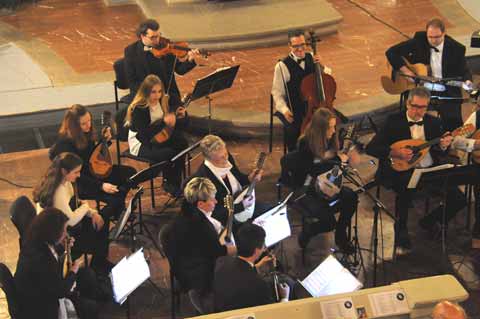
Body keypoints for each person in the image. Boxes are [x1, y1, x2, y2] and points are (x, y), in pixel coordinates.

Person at [366, 87, 466, 253]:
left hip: (429, 170)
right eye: (415, 106)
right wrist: (394, 152)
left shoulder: (433, 122)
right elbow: (372, 148)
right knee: (405, 189)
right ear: (407, 103)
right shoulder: (393, 121)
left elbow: (439, 151)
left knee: (459, 198)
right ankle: (401, 229)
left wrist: (443, 146)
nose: (418, 111)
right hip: (402, 171)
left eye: (423, 107)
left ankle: (429, 221)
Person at [280, 108, 358, 252]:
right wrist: (336, 159)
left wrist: (347, 159)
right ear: (320, 129)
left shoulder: (331, 139)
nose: (334, 131)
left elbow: (333, 165)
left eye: (334, 126)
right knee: (329, 222)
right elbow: (312, 170)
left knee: (351, 197)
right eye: (330, 127)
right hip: (307, 188)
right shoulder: (305, 143)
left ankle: (341, 237)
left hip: (327, 183)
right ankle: (309, 231)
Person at [49, 104, 136, 221]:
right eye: (83, 124)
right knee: (117, 194)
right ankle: (105, 217)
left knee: (130, 173)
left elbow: (92, 156)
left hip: (94, 171)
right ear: (74, 126)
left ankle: (117, 210)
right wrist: (101, 185)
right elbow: (75, 175)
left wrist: (104, 141)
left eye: (89, 121)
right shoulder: (64, 145)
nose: (88, 125)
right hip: (80, 181)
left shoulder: (86, 133)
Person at [386, 18, 472, 132]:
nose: (433, 41)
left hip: (445, 88)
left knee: (453, 123)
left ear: (444, 34)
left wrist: (468, 82)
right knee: (409, 115)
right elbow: (391, 52)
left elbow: (464, 70)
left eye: (437, 37)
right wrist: (407, 72)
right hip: (420, 86)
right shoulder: (420, 40)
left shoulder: (456, 48)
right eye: (430, 37)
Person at [166, 177, 236, 313]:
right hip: (196, 276)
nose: (216, 201)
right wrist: (235, 249)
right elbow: (216, 252)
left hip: (183, 261)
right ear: (200, 204)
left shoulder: (185, 210)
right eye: (212, 199)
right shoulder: (201, 226)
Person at [33, 152, 111, 273]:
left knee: (100, 219)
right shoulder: (58, 191)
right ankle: (98, 265)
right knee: (98, 228)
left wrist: (93, 213)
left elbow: (75, 203)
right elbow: (71, 221)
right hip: (58, 235)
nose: (79, 175)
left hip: (64, 225)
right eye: (76, 172)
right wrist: (86, 207)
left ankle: (99, 262)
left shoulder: (66, 182)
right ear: (64, 171)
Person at [14, 208, 98, 319]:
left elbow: (50, 255)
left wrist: (61, 246)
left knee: (87, 276)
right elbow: (60, 291)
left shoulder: (35, 241)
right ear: (52, 233)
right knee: (91, 307)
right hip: (40, 308)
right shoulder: (40, 259)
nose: (65, 234)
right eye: (63, 231)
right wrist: (73, 270)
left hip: (41, 292)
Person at [125, 74, 189, 194]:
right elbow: (144, 135)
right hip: (140, 143)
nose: (157, 95)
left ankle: (174, 182)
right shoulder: (139, 108)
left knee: (182, 143)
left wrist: (180, 117)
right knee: (168, 153)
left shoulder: (163, 101)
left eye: (160, 91)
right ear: (146, 92)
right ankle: (168, 181)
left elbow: (174, 125)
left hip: (159, 136)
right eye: (153, 92)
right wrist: (164, 123)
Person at [271, 29, 333, 151]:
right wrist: (284, 110)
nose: (300, 49)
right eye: (295, 46)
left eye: (302, 45)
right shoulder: (282, 66)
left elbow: (328, 77)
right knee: (296, 134)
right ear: (289, 46)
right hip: (297, 109)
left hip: (315, 105)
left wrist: (321, 65)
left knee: (332, 122)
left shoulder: (312, 57)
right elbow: (277, 93)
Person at [190, 134, 267, 227]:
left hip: (242, 204)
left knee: (271, 212)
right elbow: (214, 212)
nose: (226, 159)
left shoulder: (227, 158)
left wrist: (249, 178)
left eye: (226, 154)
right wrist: (240, 206)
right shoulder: (204, 178)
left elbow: (238, 177)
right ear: (209, 159)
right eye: (221, 157)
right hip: (227, 220)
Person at [214, 223, 289, 312]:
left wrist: (256, 266)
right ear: (257, 250)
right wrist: (284, 298)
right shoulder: (260, 286)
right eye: (263, 245)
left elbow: (239, 273)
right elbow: (271, 313)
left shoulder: (222, 262)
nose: (264, 248)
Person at [124, 19, 199, 107]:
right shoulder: (131, 51)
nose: (157, 40)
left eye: (158, 36)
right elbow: (132, 81)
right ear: (142, 36)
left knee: (180, 117)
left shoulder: (167, 47)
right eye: (153, 37)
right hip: (145, 94)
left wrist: (190, 60)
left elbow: (180, 70)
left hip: (168, 93)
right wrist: (150, 93)